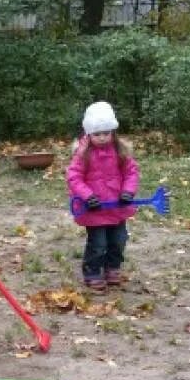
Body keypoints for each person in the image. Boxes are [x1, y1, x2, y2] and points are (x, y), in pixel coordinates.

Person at [65, 101, 140, 292]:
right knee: (98, 243)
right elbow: (74, 177)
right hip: (94, 209)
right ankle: (92, 271)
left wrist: (128, 191)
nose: (102, 137)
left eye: (106, 133)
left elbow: (132, 172)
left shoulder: (120, 151)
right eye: (97, 134)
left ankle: (112, 267)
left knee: (119, 239)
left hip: (116, 207)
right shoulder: (83, 154)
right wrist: (87, 196)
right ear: (89, 133)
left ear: (113, 131)